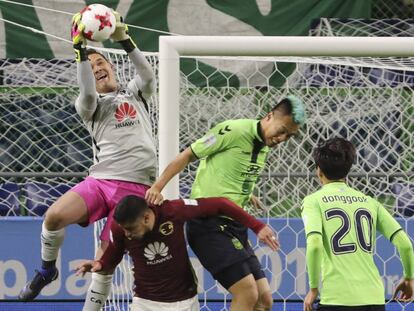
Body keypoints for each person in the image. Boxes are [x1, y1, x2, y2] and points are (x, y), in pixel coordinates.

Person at [19, 10, 157, 311]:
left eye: (101, 63)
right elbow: (86, 90)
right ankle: (46, 270)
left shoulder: (136, 94)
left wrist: (126, 41)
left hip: (135, 189)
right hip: (101, 181)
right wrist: (80, 51)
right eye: (91, 66)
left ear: (112, 67)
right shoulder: (88, 104)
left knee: (103, 261)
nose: (96, 68)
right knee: (54, 216)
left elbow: (147, 75)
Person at [146, 96, 306, 311]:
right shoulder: (232, 130)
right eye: (282, 130)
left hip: (234, 225)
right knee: (247, 293)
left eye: (290, 135)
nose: (283, 138)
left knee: (264, 301)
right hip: (208, 224)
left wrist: (246, 195)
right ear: (269, 116)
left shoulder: (264, 146)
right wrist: (157, 187)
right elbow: (187, 155)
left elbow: (231, 173)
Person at [76, 194, 279, 311]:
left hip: (185, 302)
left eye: (131, 229)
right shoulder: (119, 228)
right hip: (145, 303)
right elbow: (115, 251)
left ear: (147, 218)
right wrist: (100, 264)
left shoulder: (172, 211)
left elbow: (219, 204)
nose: (127, 233)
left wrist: (256, 226)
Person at [301, 137, 414, 311]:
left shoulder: (313, 201)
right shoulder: (370, 202)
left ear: (319, 171)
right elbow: (405, 243)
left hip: (337, 300)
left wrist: (313, 288)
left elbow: (314, 245)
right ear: (348, 171)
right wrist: (409, 278)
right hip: (374, 300)